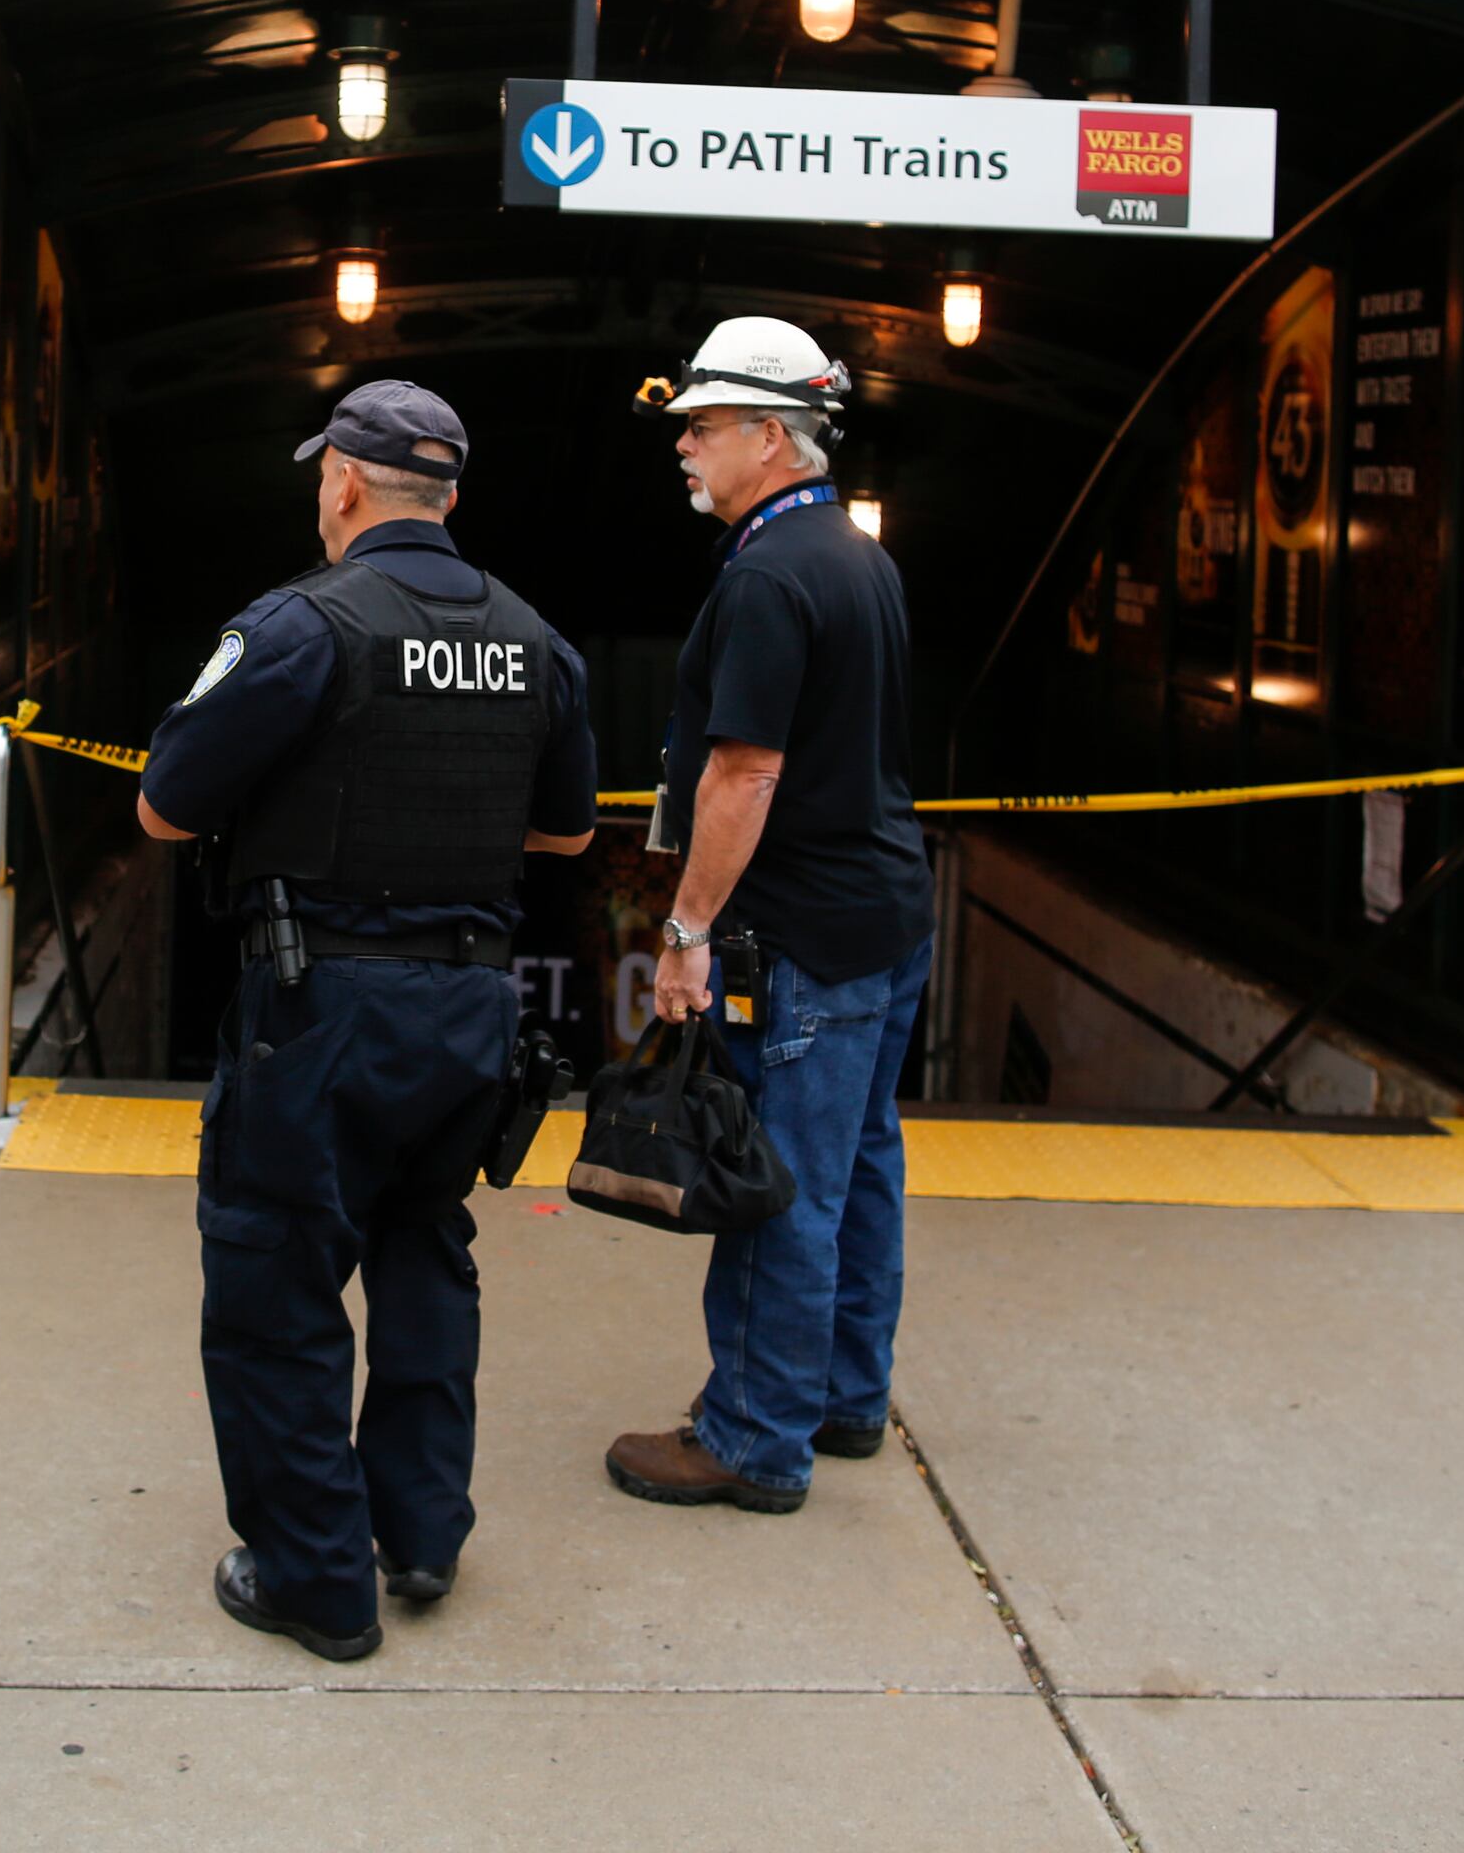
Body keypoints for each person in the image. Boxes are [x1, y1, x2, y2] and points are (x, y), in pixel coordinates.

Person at [134, 381, 599, 1662]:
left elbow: (167, 805)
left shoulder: (301, 627)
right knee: (423, 1246)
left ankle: (314, 1575)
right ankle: (421, 1531)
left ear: (343, 482)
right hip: (469, 1005)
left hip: (321, 1003)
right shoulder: (532, 638)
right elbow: (565, 829)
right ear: (449, 496)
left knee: (278, 1274)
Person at [605, 318, 935, 1515]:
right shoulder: (857, 555)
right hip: (887, 915)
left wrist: (684, 933)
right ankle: (844, 1396)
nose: (684, 445)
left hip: (800, 934)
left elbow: (744, 774)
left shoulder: (767, 577)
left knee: (775, 1177)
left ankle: (752, 1437)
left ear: (769, 435)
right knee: (860, 1165)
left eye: (702, 424)